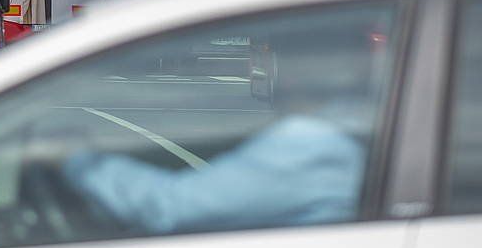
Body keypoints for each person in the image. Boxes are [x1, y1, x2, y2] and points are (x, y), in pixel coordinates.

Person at [59, 24, 382, 235]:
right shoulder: (363, 125)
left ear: (294, 69)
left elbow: (171, 208)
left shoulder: (314, 145)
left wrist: (76, 158)